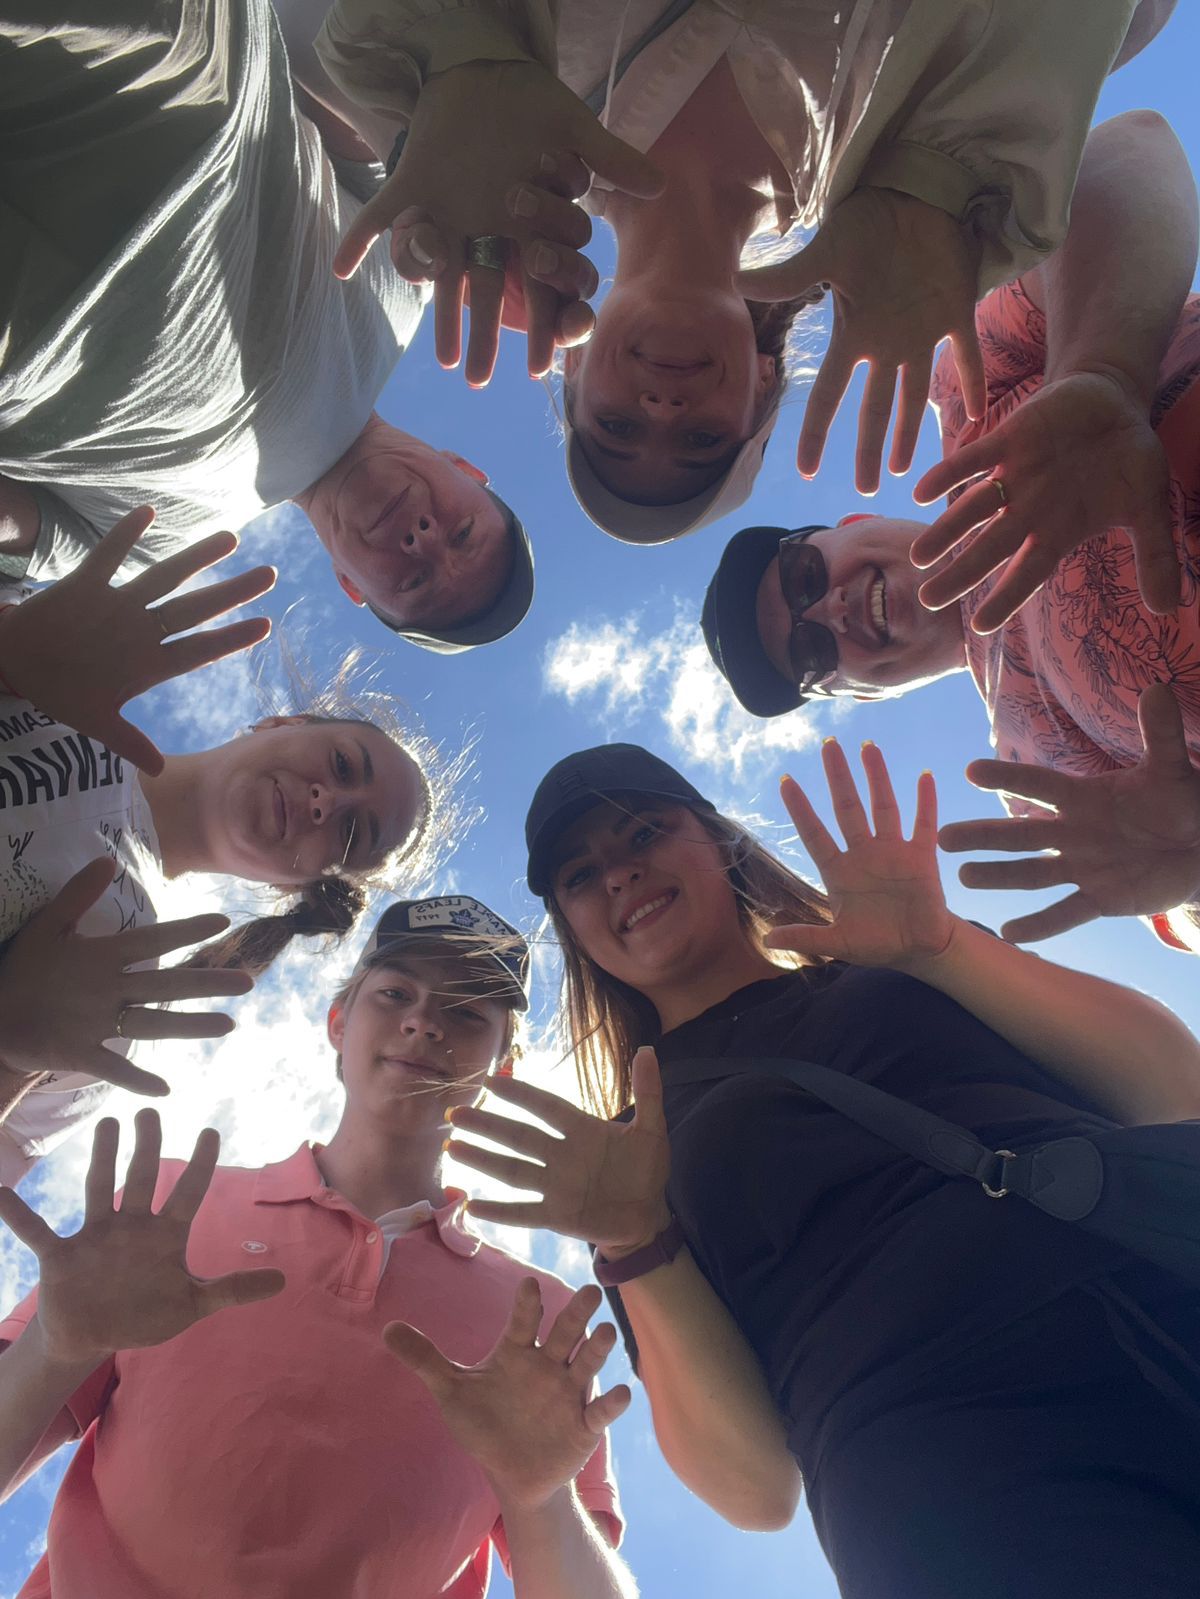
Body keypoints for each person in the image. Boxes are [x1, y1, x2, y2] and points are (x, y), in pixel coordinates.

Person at [444, 737, 1200, 1599]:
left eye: (644, 831)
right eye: (580, 876)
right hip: (941, 1465)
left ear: (719, 838)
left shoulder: (903, 953)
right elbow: (754, 1490)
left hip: (1161, 1277)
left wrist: (943, 948)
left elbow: (1172, 1087)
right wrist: (633, 1238)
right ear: (573, 928)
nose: (619, 874)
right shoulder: (629, 1152)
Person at [320, 0, 1174, 538]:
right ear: (763, 385)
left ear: (572, 368)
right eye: (700, 441)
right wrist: (941, 177)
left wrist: (466, 49)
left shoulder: (509, 111)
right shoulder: (918, 202)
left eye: (616, 427)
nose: (662, 411)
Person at [0, 894, 632, 1599]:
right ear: (339, 1022)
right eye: (396, 994)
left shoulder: (540, 1323)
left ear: (501, 1070)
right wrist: (53, 1347)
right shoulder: (166, 1213)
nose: (424, 1022)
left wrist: (542, 1497)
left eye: (467, 1013)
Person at [703, 110, 1200, 953]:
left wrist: (1102, 371)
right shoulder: (1032, 774)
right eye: (810, 656)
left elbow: (1123, 152)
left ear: (852, 523)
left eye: (800, 577)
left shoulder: (970, 393)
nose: (826, 613)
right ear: (864, 694)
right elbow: (1179, 914)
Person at [0, 0, 558, 654]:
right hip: (150, 63)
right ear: (466, 468)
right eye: (463, 534)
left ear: (351, 586)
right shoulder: (409, 280)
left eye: (415, 580)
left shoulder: (149, 552)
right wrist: (429, 149)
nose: (423, 540)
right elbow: (331, 63)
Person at [0, 512, 444, 1182]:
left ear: (301, 884)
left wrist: (11, 1056)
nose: (325, 801)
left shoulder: (124, 991)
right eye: (342, 764)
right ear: (282, 722)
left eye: (350, 835)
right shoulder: (69, 675)